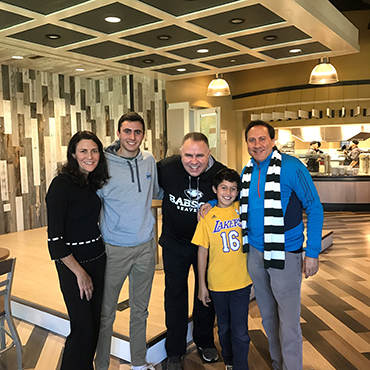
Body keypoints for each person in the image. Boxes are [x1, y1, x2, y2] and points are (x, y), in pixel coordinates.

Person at [201, 120, 324, 370]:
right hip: (255, 253)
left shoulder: (290, 166)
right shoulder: (247, 170)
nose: (257, 145)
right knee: (268, 317)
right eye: (252, 140)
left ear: (272, 140)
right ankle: (278, 363)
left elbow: (314, 207)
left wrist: (312, 253)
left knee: (288, 322)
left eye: (262, 139)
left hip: (285, 253)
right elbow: (233, 200)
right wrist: (212, 204)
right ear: (247, 143)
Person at [95, 112, 163, 370]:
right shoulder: (104, 164)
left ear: (143, 135)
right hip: (114, 249)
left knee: (140, 311)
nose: (132, 137)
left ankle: (138, 363)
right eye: (127, 131)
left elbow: (157, 191)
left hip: (146, 247)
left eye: (137, 132)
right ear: (118, 133)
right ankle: (101, 365)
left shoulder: (149, 161)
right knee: (106, 314)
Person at [157, 132, 226, 370]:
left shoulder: (221, 173)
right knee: (174, 295)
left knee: (205, 296)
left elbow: (235, 196)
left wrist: (215, 203)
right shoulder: (166, 168)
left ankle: (205, 342)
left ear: (209, 154)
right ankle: (174, 351)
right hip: (175, 243)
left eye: (200, 155)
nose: (194, 161)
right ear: (180, 154)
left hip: (206, 246)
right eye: (188, 155)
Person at [46, 131, 109, 370]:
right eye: (83, 151)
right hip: (73, 266)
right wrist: (80, 274)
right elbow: (54, 240)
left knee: (94, 325)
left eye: (94, 151)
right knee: (82, 329)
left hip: (98, 260)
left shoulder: (92, 181)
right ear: (73, 153)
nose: (90, 156)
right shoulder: (61, 185)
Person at [193, 168, 253, 370]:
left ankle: (241, 366)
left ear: (238, 191)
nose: (228, 193)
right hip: (217, 284)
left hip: (241, 282)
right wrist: (202, 285)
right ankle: (229, 362)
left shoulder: (242, 209)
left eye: (233, 189)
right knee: (224, 329)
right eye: (223, 188)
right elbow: (202, 252)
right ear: (214, 189)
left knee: (241, 331)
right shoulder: (207, 217)